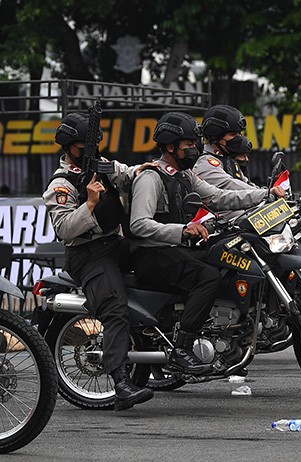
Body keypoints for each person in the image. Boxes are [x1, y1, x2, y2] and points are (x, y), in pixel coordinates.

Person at [128, 111, 269, 376]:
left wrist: (266, 195)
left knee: (225, 261)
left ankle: (227, 340)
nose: (194, 149)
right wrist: (183, 230)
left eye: (194, 143)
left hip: (175, 250)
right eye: (189, 145)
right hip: (152, 254)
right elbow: (139, 224)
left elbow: (219, 197)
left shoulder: (185, 175)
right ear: (170, 147)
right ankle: (181, 348)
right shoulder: (151, 177)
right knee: (208, 278)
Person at [43, 112, 156, 411]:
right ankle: (121, 382)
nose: (88, 151)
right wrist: (90, 203)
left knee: (163, 256)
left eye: (91, 144)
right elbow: (64, 229)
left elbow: (127, 172)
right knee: (114, 307)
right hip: (87, 254)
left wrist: (146, 170)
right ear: (69, 146)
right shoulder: (61, 184)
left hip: (116, 244)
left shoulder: (100, 165)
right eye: (82, 146)